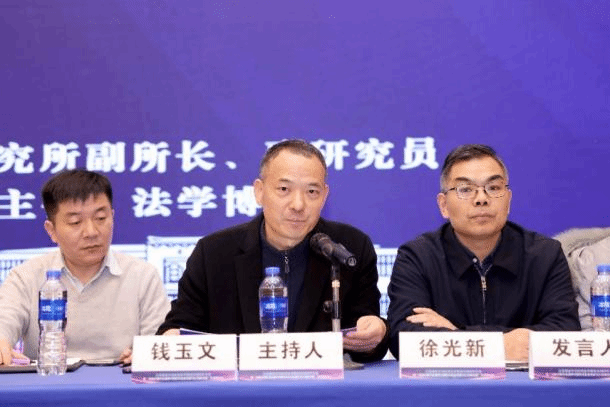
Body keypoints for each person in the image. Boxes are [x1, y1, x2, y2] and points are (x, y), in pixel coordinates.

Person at [157, 139, 388, 362]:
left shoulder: (349, 248)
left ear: (324, 196)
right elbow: (180, 327)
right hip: (239, 387)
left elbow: (368, 338)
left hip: (322, 386)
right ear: (259, 191)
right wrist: (171, 338)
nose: (298, 205)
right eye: (284, 189)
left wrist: (375, 333)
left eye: (312, 192)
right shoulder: (214, 253)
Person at [387, 144, 580, 361]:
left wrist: (455, 334)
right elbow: (403, 338)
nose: (481, 198)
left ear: (508, 200)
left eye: (494, 188)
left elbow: (565, 331)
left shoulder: (544, 254)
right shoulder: (418, 256)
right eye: (465, 189)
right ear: (444, 205)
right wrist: (501, 346)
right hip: (446, 381)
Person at [0, 169, 170, 365]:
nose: (91, 232)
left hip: (121, 381)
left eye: (101, 218)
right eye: (75, 222)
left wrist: (145, 355)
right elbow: (5, 321)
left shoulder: (143, 276)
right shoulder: (26, 276)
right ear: (51, 230)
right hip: (49, 380)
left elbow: (161, 345)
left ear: (112, 217)